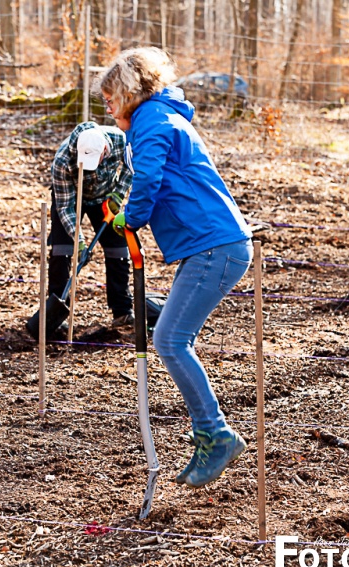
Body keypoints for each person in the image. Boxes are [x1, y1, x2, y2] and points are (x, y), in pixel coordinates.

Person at [96, 47, 253, 489]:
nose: (107, 107)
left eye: (110, 97)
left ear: (129, 91)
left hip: (215, 247)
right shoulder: (159, 118)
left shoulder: (153, 121)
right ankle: (211, 434)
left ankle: (215, 434)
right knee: (171, 333)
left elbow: (147, 180)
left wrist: (132, 216)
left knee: (169, 339)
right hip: (212, 245)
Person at [48, 121, 134, 327]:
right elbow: (65, 208)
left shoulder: (120, 140)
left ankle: (122, 311)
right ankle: (56, 316)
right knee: (62, 250)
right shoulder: (62, 161)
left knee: (119, 251)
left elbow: (132, 166)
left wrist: (119, 195)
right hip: (71, 198)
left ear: (105, 149)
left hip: (105, 197)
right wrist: (78, 241)